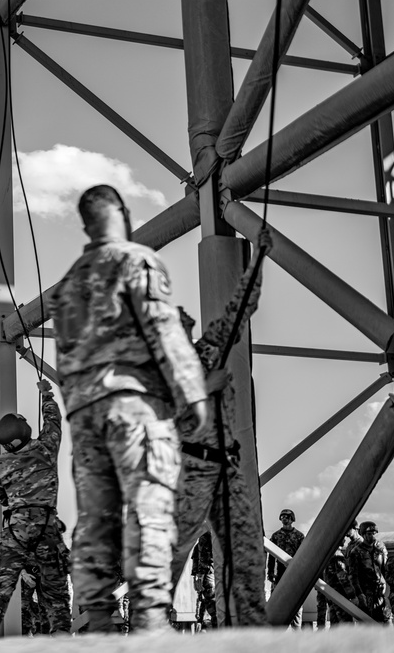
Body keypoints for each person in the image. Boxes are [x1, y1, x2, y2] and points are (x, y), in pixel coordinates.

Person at [48, 185, 209, 632]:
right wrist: (191, 390)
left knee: (95, 518)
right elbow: (163, 326)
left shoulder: (69, 284)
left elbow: (65, 362)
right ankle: (150, 619)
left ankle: (96, 618)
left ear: (84, 224)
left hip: (84, 413)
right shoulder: (134, 259)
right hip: (133, 404)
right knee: (148, 506)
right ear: (122, 210)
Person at [169, 229, 273, 627]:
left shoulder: (211, 349)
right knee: (169, 557)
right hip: (190, 470)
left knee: (246, 554)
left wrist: (258, 259)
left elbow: (239, 308)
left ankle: (251, 633)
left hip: (227, 469)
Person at [0, 380, 70, 637]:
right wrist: (46, 395)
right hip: (47, 526)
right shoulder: (46, 449)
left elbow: (1, 497)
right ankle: (62, 642)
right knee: (56, 595)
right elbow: (53, 422)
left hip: (15, 528)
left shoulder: (0, 464)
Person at [347, 521, 393, 625]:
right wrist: (359, 595)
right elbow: (353, 576)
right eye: (369, 534)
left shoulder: (379, 549)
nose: (372, 536)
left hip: (380, 591)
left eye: (374, 534)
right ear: (363, 534)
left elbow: (386, 570)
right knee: (368, 623)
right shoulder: (356, 552)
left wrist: (389, 592)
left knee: (386, 621)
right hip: (366, 593)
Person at [267, 509, 305, 628]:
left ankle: (296, 629)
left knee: (296, 601)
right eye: (282, 516)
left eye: (287, 517)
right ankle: (278, 628)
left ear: (292, 519)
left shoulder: (299, 536)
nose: (284, 518)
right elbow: (272, 556)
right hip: (280, 573)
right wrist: (270, 572)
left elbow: (303, 555)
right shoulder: (276, 536)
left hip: (295, 573)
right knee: (278, 600)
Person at [191, 532, 216, 630]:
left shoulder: (205, 536)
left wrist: (197, 576)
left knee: (206, 602)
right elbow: (198, 558)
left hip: (207, 575)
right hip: (209, 574)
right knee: (213, 608)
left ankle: (201, 623)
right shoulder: (207, 536)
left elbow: (196, 558)